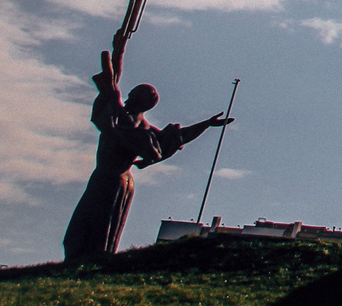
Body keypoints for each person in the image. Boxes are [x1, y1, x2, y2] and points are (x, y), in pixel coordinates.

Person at [64, 53, 230, 259]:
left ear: (138, 100)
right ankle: (88, 259)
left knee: (90, 230)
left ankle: (87, 261)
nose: (127, 96)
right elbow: (175, 137)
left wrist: (204, 124)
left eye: (132, 94)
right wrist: (205, 124)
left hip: (110, 179)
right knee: (90, 230)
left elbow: (172, 137)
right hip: (117, 180)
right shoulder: (130, 121)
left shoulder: (125, 119)